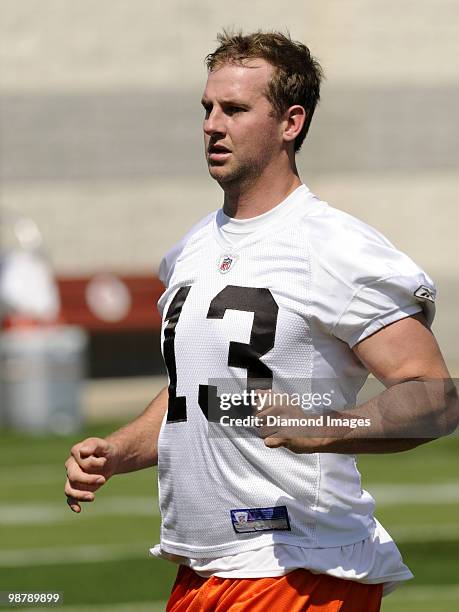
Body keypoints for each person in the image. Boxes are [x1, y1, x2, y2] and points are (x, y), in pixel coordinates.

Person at [65, 30, 458, 611]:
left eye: (235, 109)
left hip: (302, 567)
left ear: (290, 123)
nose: (211, 125)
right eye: (207, 109)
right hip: (204, 566)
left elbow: (436, 396)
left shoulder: (334, 245)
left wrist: (332, 426)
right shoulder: (190, 249)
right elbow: (195, 392)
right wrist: (121, 450)